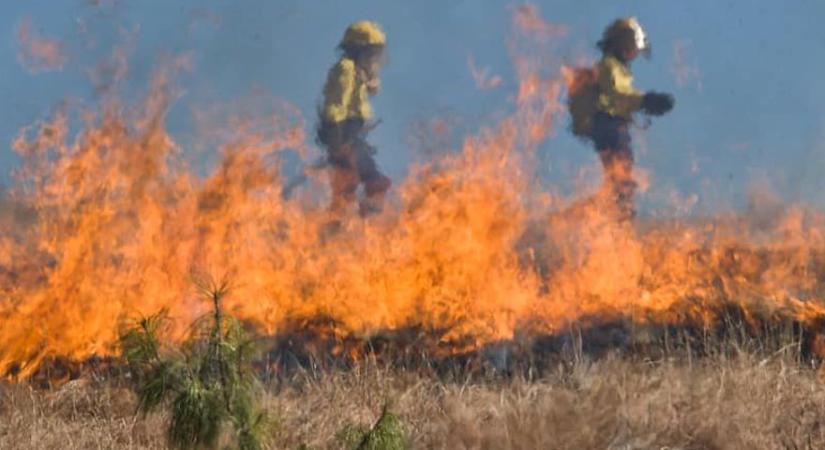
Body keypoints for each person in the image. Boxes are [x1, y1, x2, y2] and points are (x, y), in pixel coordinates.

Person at [592, 17, 674, 220]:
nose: (635, 54)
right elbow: (618, 95)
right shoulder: (609, 66)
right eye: (632, 47)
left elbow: (622, 96)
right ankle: (616, 220)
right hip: (609, 127)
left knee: (622, 178)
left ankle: (620, 216)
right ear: (623, 44)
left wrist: (644, 103)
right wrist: (645, 101)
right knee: (620, 180)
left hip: (615, 126)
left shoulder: (618, 68)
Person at [317, 20, 391, 219]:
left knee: (355, 187)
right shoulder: (346, 69)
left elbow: (370, 89)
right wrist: (337, 143)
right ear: (359, 50)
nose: (375, 58)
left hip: (352, 137)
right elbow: (334, 107)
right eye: (372, 52)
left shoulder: (359, 72)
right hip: (343, 135)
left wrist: (371, 76)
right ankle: (343, 226)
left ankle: (353, 222)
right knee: (368, 183)